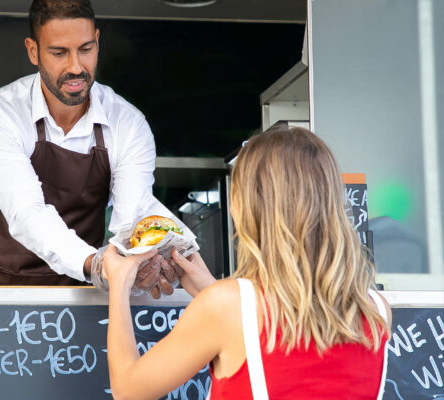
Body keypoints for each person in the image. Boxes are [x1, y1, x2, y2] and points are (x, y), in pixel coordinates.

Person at [103, 126, 392, 399]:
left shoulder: (224, 306)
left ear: (244, 207)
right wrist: (211, 289)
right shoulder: (377, 310)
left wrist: (118, 284)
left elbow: (128, 390)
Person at [0, 0, 193, 296]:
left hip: (72, 298)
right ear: (33, 51)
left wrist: (145, 262)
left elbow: (132, 218)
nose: (76, 67)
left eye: (85, 49)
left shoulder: (127, 123)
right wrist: (96, 265)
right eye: (59, 52)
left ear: (98, 42)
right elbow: (27, 212)